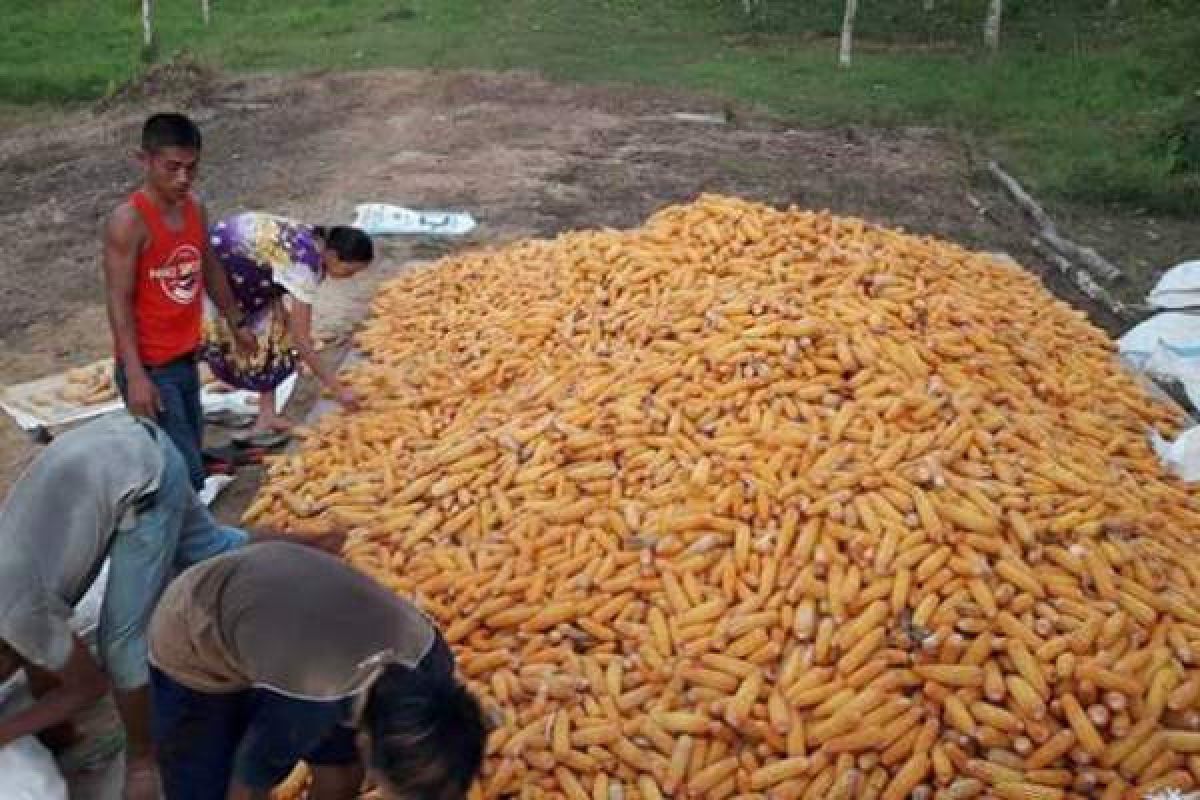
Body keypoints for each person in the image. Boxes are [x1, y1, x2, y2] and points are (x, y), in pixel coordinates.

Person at [0, 413, 248, 800]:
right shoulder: (15, 617)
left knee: (121, 644)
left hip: (141, 481)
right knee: (212, 551)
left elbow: (89, 688)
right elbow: (38, 650)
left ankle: (144, 760)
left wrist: (7, 731)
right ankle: (312, 550)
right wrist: (50, 725)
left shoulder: (15, 615)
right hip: (113, 446)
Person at [148, 542, 488, 800]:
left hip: (290, 609)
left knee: (338, 776)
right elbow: (247, 789)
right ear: (365, 742)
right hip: (200, 624)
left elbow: (341, 774)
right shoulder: (305, 708)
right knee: (203, 781)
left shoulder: (431, 656)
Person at [103, 113, 256, 490]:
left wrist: (236, 321)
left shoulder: (194, 208)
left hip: (186, 361)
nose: (183, 178)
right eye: (172, 168)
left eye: (192, 168)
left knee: (186, 460)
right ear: (145, 160)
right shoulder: (129, 221)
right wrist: (136, 376)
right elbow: (118, 302)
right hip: (152, 369)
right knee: (180, 473)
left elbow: (211, 268)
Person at [201, 213, 373, 444]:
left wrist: (281, 310)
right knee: (247, 335)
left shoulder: (314, 237)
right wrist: (338, 389)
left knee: (276, 330)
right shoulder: (306, 265)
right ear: (332, 255)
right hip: (224, 262)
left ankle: (267, 415)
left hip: (237, 247)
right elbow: (302, 340)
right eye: (349, 271)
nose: (349, 277)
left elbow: (273, 264)